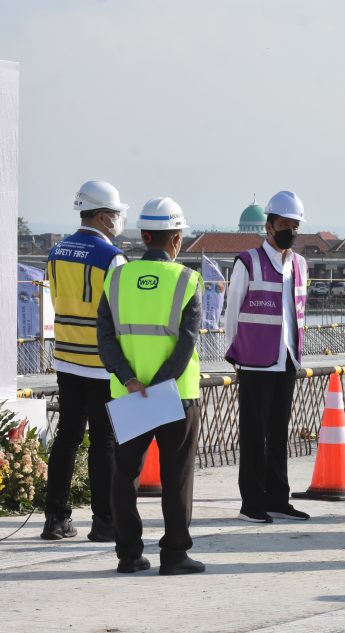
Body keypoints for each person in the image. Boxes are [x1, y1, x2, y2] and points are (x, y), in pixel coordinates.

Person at [96, 197, 205, 575]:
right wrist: (159, 384)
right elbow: (188, 341)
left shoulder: (117, 277)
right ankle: (174, 555)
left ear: (144, 236)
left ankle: (128, 555)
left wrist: (130, 378)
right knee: (177, 476)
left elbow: (105, 338)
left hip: (128, 394)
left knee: (124, 475)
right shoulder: (188, 280)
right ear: (176, 239)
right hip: (177, 395)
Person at [41, 180, 128, 542]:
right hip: (100, 362)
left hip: (65, 358)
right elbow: (121, 315)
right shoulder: (112, 258)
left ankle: (56, 519)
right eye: (118, 214)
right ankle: (105, 522)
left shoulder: (57, 251)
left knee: (67, 438)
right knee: (103, 442)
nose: (120, 220)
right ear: (105, 215)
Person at [224, 191, 310, 523]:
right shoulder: (248, 262)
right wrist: (235, 356)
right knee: (253, 433)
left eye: (295, 225)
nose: (290, 230)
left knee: (278, 433)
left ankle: (278, 498)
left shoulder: (300, 265)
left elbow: (298, 313)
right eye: (285, 224)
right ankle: (252, 502)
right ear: (269, 226)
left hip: (286, 359)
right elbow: (232, 312)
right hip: (254, 361)